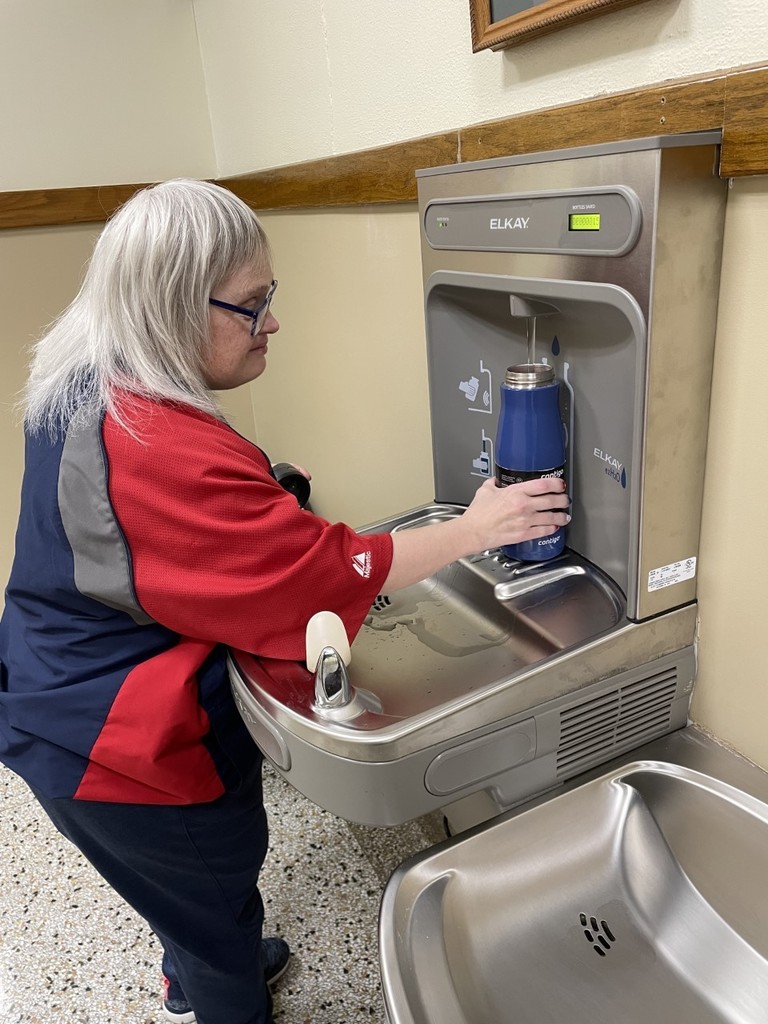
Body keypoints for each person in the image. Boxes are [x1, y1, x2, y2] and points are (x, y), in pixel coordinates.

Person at [0, 179, 571, 1024]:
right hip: (122, 750)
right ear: (166, 307)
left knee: (180, 900)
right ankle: (218, 984)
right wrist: (476, 527)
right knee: (211, 886)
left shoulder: (87, 383)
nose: (274, 322)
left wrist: (264, 495)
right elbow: (321, 577)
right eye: (253, 305)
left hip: (53, 693)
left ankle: (194, 954)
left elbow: (143, 545)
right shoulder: (156, 449)